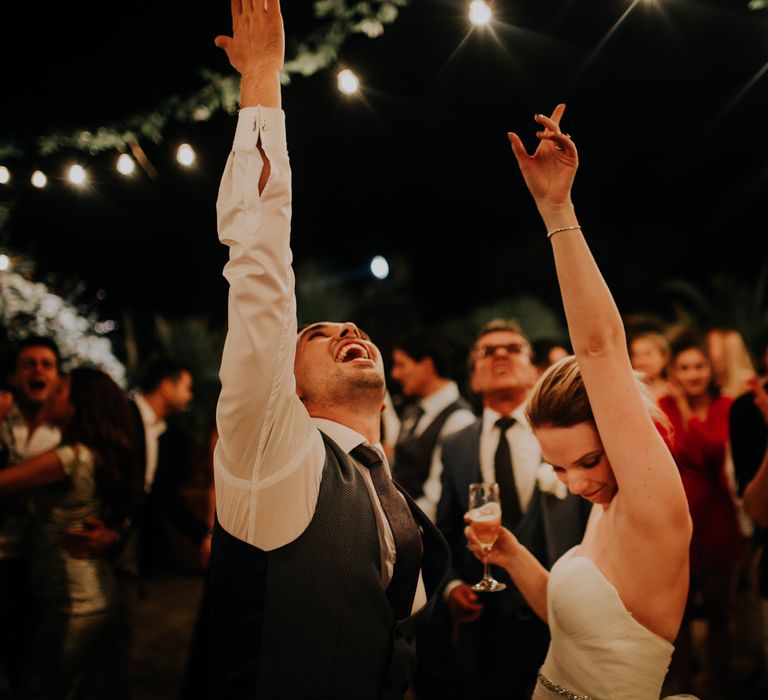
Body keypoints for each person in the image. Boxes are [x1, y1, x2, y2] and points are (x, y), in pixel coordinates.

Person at [209, 2, 449, 698]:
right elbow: (258, 266)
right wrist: (261, 76)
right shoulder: (270, 449)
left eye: (352, 330)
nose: (349, 331)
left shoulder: (383, 477)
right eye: (318, 334)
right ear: (279, 381)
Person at [464, 105, 693, 699]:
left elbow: (599, 349)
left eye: (588, 460)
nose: (574, 484)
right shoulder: (604, 502)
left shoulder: (650, 508)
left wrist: (556, 210)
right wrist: (513, 557)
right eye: (558, 468)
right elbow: (572, 628)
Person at [437, 319, 590, 698]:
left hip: (564, 615)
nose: (500, 354)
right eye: (487, 351)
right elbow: (445, 531)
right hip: (487, 627)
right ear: (473, 379)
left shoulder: (565, 434)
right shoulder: (455, 445)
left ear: (535, 371)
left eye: (512, 348)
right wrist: (452, 586)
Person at [0, 367, 140, 699]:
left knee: (42, 688)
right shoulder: (88, 453)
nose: (51, 395)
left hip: (74, 599)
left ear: (76, 406)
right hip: (85, 591)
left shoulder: (68, 457)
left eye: (60, 391)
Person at [659, 332, 743, 696]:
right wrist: (677, 404)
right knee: (678, 618)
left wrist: (686, 408)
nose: (693, 374)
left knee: (720, 612)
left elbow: (708, 450)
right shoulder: (662, 405)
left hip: (717, 518)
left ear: (710, 370)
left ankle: (722, 686)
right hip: (677, 519)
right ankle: (683, 688)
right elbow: (671, 449)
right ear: (674, 371)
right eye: (684, 368)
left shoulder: (727, 405)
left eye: (699, 366)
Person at [0, 337, 63, 693]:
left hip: (39, 566)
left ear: (57, 379)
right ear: (13, 376)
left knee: (31, 667)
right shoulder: (1, 420)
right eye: (29, 363)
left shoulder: (64, 432)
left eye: (47, 364)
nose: (38, 370)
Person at [390, 330, 476, 520]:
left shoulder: (458, 418)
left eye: (401, 365)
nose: (395, 374)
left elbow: (435, 497)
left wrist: (396, 526)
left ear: (426, 366)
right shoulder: (413, 411)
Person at [630, 331, 672, 401]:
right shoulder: (630, 391)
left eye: (648, 354)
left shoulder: (676, 390)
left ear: (664, 357)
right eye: (636, 355)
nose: (642, 361)